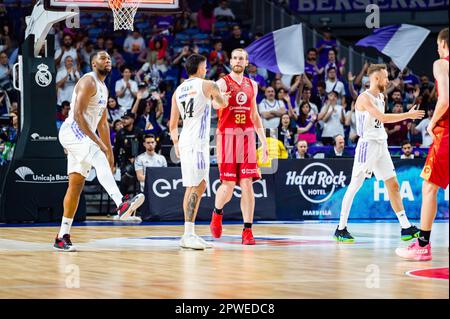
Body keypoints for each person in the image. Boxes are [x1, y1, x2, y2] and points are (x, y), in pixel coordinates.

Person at [55, 51, 145, 252]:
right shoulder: (89, 81)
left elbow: (103, 123)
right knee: (96, 152)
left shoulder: (104, 88)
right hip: (72, 131)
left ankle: (62, 236)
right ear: (93, 63)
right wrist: (100, 145)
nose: (108, 60)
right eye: (103, 58)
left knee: (76, 186)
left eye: (109, 58)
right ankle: (121, 203)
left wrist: (110, 153)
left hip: (85, 137)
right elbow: (78, 116)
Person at [334, 63, 425, 243]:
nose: (388, 80)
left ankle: (405, 227)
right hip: (367, 145)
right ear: (376, 78)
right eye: (385, 77)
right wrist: (407, 115)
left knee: (393, 185)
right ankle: (341, 228)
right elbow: (382, 118)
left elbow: (381, 123)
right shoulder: (363, 98)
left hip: (381, 144)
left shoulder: (382, 97)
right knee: (354, 186)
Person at [396, 27, 449, 261]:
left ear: (444, 44)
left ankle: (422, 246)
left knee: (430, 187)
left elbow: (445, 99)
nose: (437, 50)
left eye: (438, 46)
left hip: (447, 133)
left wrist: (431, 122)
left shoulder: (441, 64)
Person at [170, 54, 229, 250]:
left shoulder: (178, 91)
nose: (207, 68)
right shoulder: (208, 84)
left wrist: (176, 144)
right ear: (200, 68)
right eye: (205, 66)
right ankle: (188, 234)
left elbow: (172, 124)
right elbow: (222, 104)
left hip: (185, 140)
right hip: (197, 142)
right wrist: (224, 97)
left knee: (190, 186)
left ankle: (188, 233)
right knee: (199, 185)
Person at [210, 48, 268, 245]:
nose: (237, 61)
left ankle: (248, 231)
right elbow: (215, 106)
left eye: (241, 58)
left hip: (247, 137)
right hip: (226, 137)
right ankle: (217, 214)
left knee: (247, 185)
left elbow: (255, 115)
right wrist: (221, 100)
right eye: (234, 57)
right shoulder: (220, 83)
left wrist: (264, 141)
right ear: (231, 61)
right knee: (226, 187)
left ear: (246, 62)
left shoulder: (253, 84)